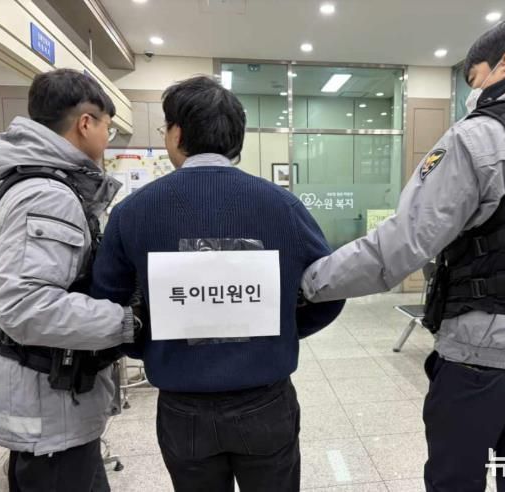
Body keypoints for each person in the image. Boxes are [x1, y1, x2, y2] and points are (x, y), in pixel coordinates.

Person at [302, 18, 505, 492]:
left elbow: (403, 243)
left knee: (456, 482)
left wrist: (309, 283)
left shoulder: (480, 136)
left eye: (475, 77)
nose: (473, 91)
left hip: (484, 359)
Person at [90, 76, 345, 492]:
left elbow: (106, 305)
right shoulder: (283, 206)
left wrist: (150, 343)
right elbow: (331, 288)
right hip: (266, 401)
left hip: (182, 405)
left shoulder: (133, 212)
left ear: (176, 133)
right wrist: (281, 327)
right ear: (235, 139)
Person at [0, 69, 141, 492]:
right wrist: (126, 322)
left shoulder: (36, 183)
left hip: (49, 408)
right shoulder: (47, 195)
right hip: (49, 413)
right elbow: (26, 306)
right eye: (108, 126)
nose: (107, 138)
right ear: (86, 123)